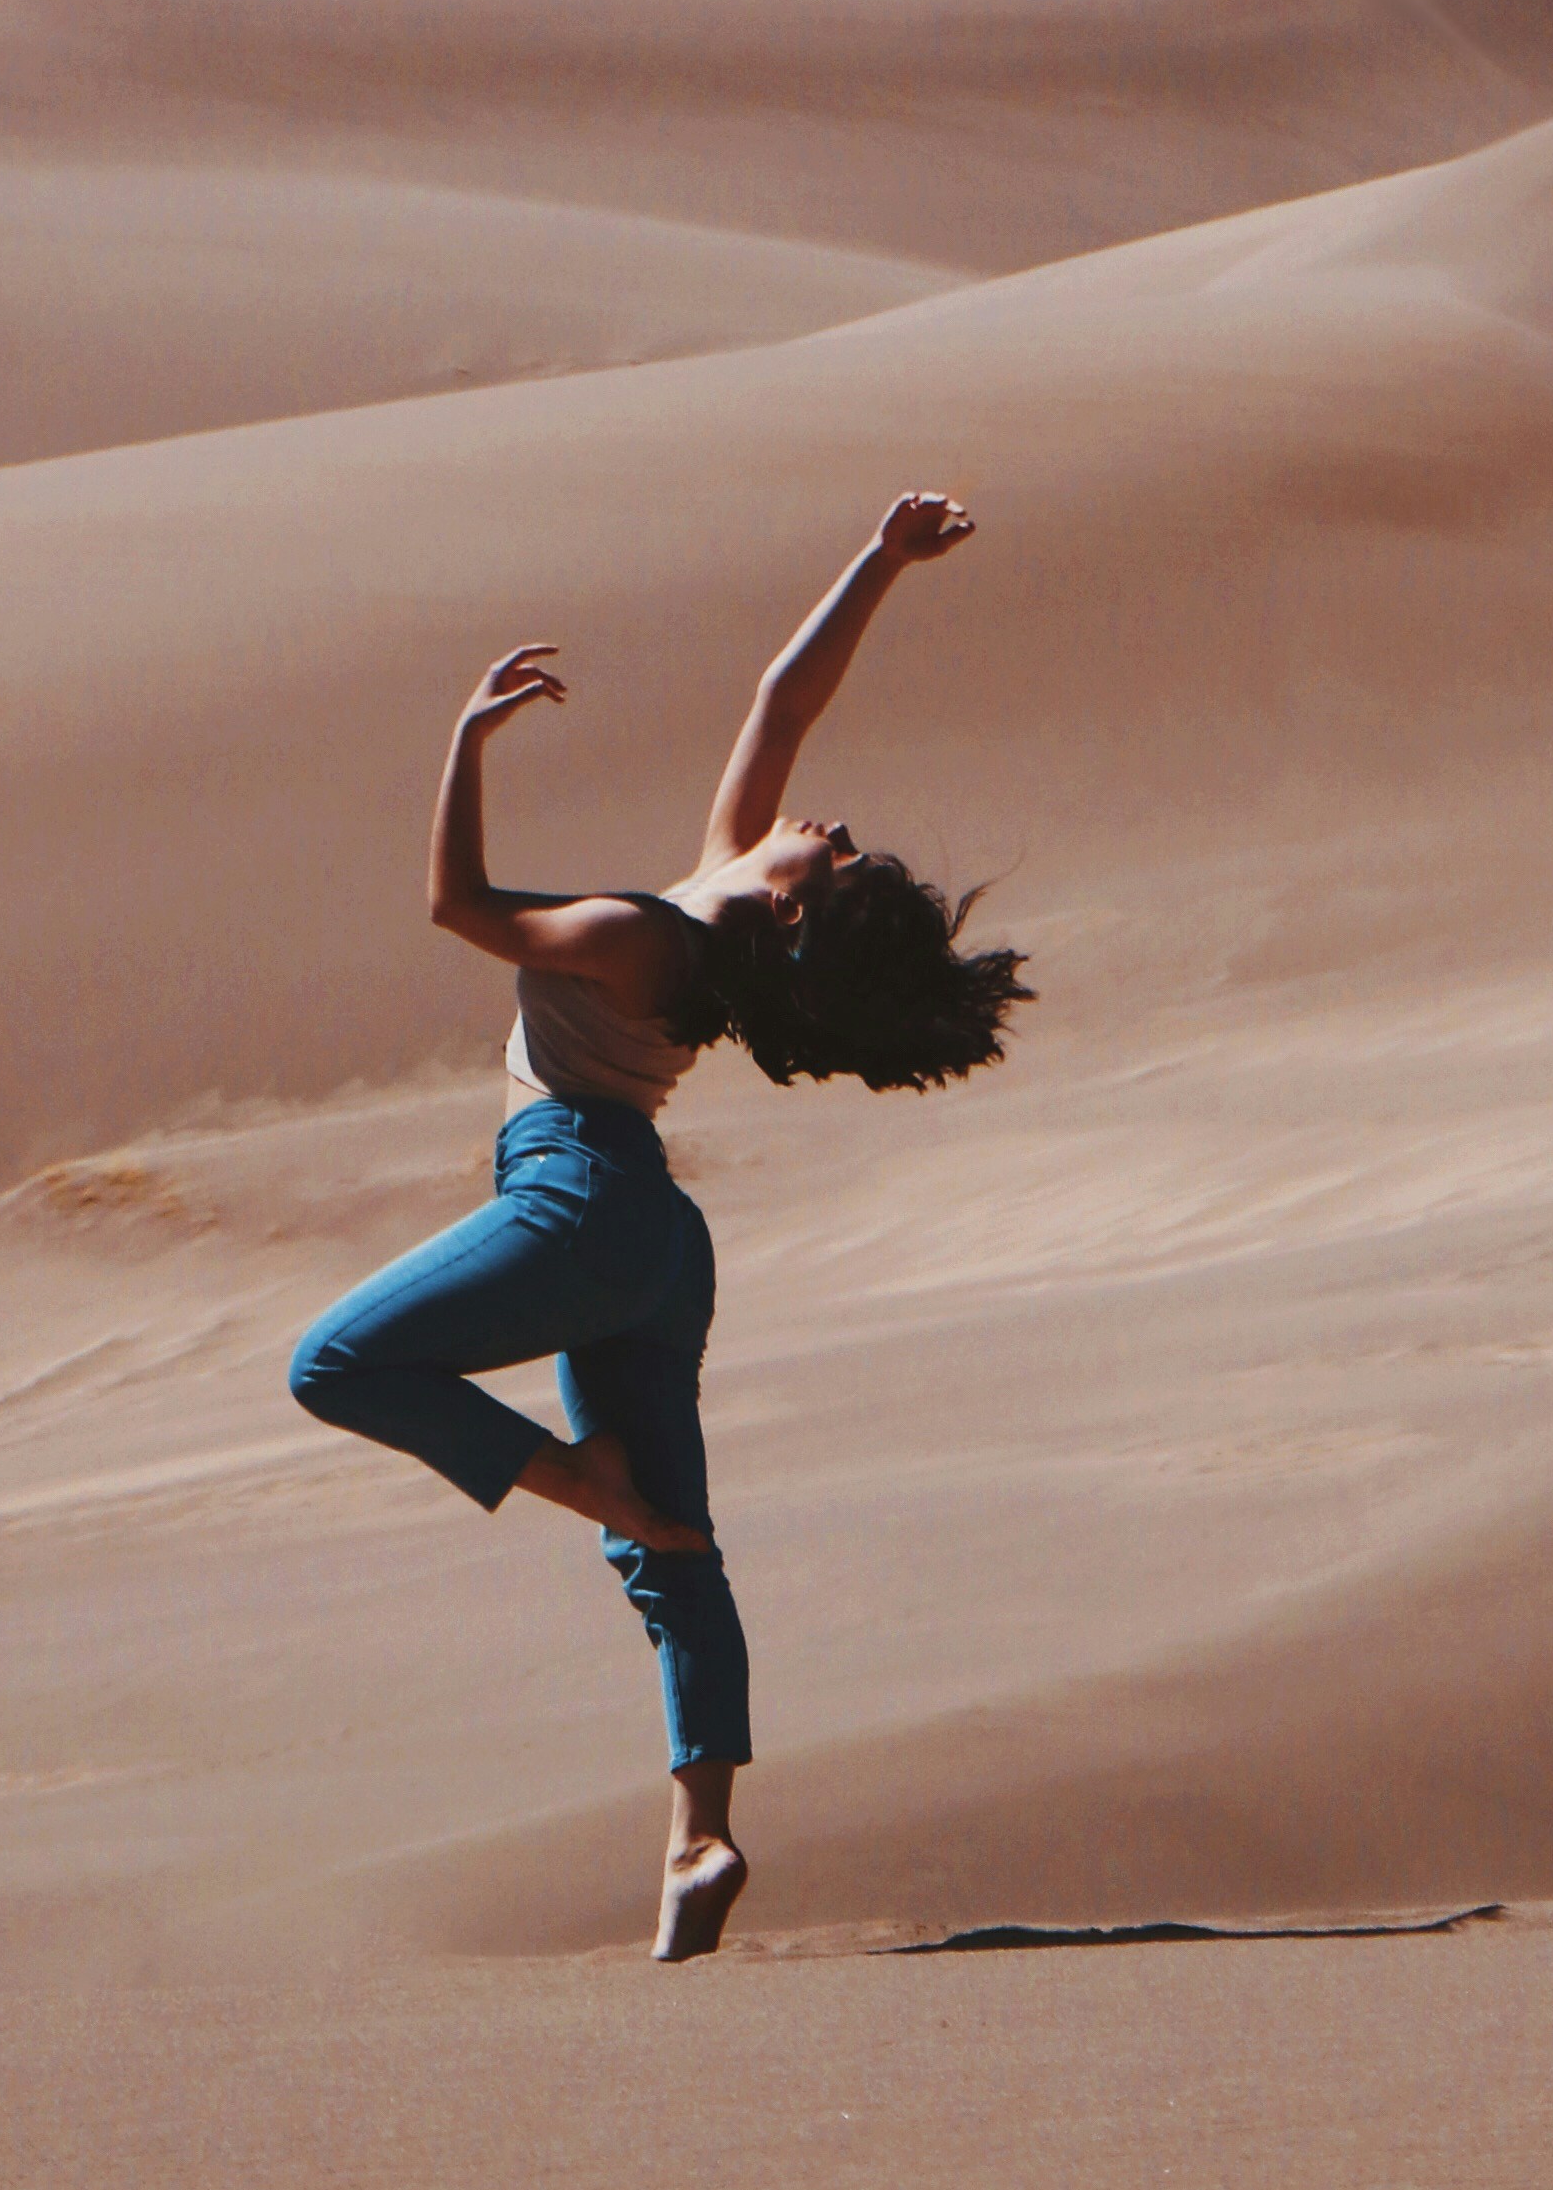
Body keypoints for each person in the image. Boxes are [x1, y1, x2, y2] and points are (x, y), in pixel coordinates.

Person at [286, 490, 1027, 1959]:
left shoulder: (645, 938)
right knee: (682, 1547)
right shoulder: (710, 906)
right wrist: (880, 561)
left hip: (573, 1197)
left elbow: (456, 907)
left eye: (849, 859)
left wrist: (462, 742)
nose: (843, 830)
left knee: (337, 1365)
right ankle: (700, 1834)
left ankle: (589, 1491)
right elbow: (781, 698)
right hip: (653, 1242)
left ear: (796, 910)